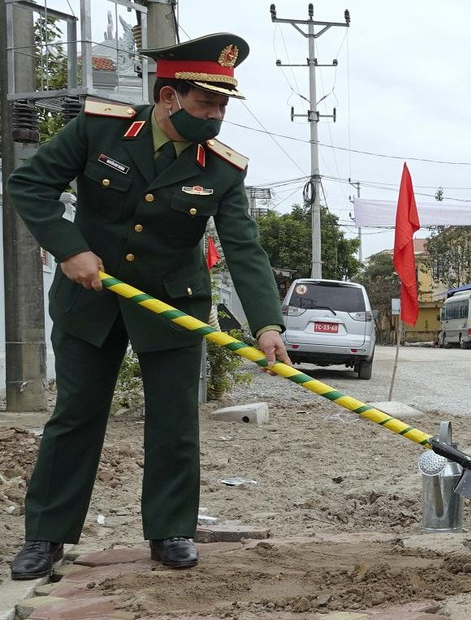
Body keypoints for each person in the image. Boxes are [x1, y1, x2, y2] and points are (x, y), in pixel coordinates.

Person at [6, 33, 288, 579]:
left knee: (175, 422)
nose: (217, 115)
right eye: (207, 102)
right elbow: (30, 183)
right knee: (76, 417)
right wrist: (70, 249)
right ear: (168, 97)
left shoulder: (223, 169)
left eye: (223, 104)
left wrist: (268, 323)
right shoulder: (101, 127)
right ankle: (45, 536)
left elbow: (244, 247)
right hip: (91, 297)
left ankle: (170, 530)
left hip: (172, 302)